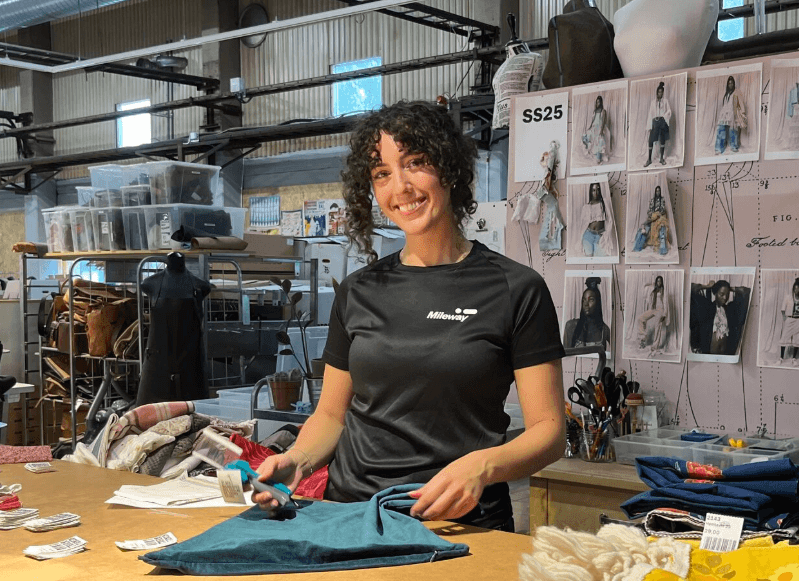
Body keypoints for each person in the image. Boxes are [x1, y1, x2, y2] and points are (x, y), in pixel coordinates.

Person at [249, 101, 565, 532]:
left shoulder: (515, 288)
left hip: (461, 525)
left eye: (415, 163)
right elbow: (331, 417)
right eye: (382, 174)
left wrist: (483, 466)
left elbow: (549, 432)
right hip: (353, 517)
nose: (401, 187)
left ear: (449, 169)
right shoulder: (360, 290)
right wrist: (298, 461)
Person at [135, 252, 211, 405]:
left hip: (191, 368)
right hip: (157, 369)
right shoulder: (151, 283)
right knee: (151, 420)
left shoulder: (199, 285)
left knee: (195, 418)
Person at [688, 279, 750, 355]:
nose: (725, 298)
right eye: (722, 294)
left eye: (727, 294)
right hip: (708, 354)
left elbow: (746, 291)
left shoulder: (731, 309)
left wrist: (731, 288)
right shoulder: (706, 307)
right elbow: (690, 287)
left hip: (727, 354)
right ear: (715, 293)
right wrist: (708, 286)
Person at [562, 277, 611, 352]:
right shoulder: (571, 326)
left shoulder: (605, 330)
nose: (586, 304)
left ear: (598, 303)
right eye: (584, 300)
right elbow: (566, 357)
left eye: (591, 300)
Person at [635, 275, 673, 355]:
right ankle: (643, 337)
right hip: (653, 309)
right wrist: (652, 283)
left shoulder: (663, 290)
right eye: (657, 281)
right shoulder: (653, 289)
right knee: (640, 319)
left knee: (657, 328)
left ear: (662, 282)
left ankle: (654, 347)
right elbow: (644, 284)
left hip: (660, 310)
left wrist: (664, 314)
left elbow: (665, 302)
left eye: (660, 281)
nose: (659, 283)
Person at [632, 184, 669, 255]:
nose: (657, 192)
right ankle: (637, 247)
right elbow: (649, 210)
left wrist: (657, 214)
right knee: (644, 228)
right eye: (656, 191)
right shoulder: (652, 200)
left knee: (662, 229)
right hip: (653, 217)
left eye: (659, 191)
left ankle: (662, 250)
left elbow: (663, 210)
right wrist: (651, 216)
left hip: (660, 217)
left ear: (660, 192)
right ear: (655, 192)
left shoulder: (662, 199)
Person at [714, 75, 747, 155]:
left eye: (732, 83)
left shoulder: (737, 92)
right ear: (727, 84)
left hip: (732, 114)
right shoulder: (726, 93)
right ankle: (719, 148)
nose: (730, 85)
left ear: (734, 84)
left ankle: (734, 146)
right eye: (729, 83)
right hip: (724, 114)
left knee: (733, 130)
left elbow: (741, 104)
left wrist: (743, 113)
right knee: (721, 130)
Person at [779, 277, 799, 365]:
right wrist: (785, 318)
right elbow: (783, 309)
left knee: (798, 338)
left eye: (798, 288)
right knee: (784, 337)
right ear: (793, 289)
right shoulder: (788, 297)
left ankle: (794, 358)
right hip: (790, 319)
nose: (796, 290)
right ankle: (781, 358)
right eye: (795, 288)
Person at [645, 81, 673, 167]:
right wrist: (649, 126)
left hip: (662, 122)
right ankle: (649, 159)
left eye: (661, 92)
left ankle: (661, 158)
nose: (660, 93)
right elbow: (650, 113)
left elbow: (669, 111)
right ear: (657, 92)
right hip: (655, 122)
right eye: (659, 92)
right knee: (651, 140)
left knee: (662, 139)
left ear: (663, 93)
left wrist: (664, 117)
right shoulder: (653, 102)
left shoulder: (665, 101)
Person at [580, 180, 608, 257]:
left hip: (600, 235)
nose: (595, 192)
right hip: (588, 235)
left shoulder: (603, 203)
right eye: (593, 190)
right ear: (591, 192)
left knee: (599, 258)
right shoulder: (586, 206)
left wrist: (606, 234)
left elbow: (610, 220)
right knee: (589, 259)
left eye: (598, 189)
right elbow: (583, 224)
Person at [582, 94, 613, 164]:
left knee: (599, 140)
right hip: (594, 127)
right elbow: (593, 121)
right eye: (596, 102)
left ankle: (599, 156)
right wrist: (589, 127)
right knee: (586, 136)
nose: (597, 103)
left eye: (598, 102)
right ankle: (592, 152)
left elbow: (603, 121)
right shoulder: (594, 111)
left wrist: (601, 130)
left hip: (600, 127)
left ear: (601, 102)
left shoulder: (603, 111)